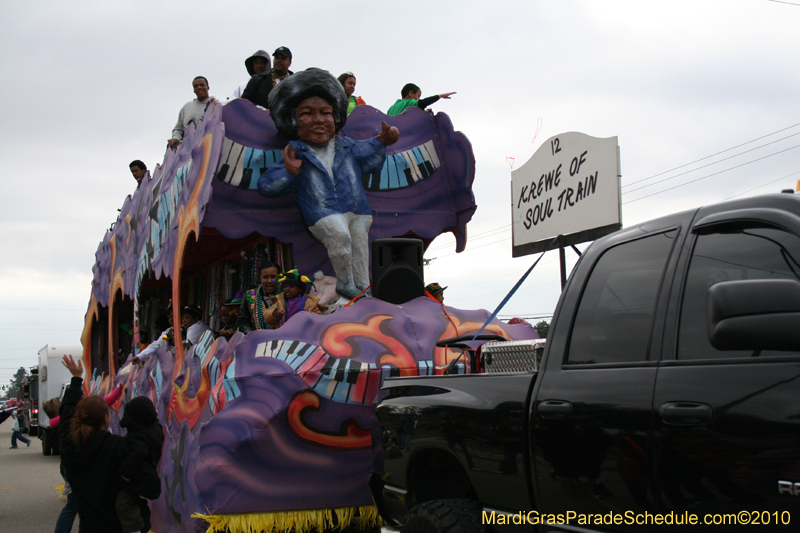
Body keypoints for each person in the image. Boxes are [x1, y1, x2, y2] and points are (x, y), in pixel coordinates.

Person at [258, 68, 400, 300]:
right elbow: (266, 185)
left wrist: (384, 139)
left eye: (325, 113)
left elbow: (369, 149)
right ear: (293, 119)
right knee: (340, 235)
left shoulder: (347, 145)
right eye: (307, 113)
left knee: (359, 244)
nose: (318, 120)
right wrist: (290, 172)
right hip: (322, 211)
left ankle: (363, 286)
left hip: (357, 208)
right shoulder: (297, 151)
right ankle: (345, 284)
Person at [59, 354, 129, 532]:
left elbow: (66, 412)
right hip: (113, 524)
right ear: (106, 418)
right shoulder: (115, 445)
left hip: (88, 524)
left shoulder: (71, 445)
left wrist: (76, 379)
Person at [116, 397, 164, 533]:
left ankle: (134, 529)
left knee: (123, 502)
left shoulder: (138, 436)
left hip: (139, 478)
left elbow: (138, 453)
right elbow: (156, 424)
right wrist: (155, 417)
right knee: (135, 503)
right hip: (149, 477)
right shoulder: (154, 431)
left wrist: (125, 472)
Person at [168, 76, 216, 150]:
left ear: (208, 87)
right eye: (196, 86)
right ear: (194, 90)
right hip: (189, 151)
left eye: (202, 85)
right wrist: (176, 138)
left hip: (210, 150)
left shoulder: (216, 106)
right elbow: (178, 129)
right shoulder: (187, 107)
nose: (199, 87)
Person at [240, 262, 283, 332]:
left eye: (273, 277)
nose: (269, 281)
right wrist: (253, 333)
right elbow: (243, 322)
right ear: (260, 278)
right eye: (265, 277)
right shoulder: (249, 296)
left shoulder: (286, 293)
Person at [386, 83, 456, 116]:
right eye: (418, 96)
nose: (418, 99)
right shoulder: (409, 102)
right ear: (411, 93)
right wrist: (439, 96)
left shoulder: (391, 109)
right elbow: (423, 103)